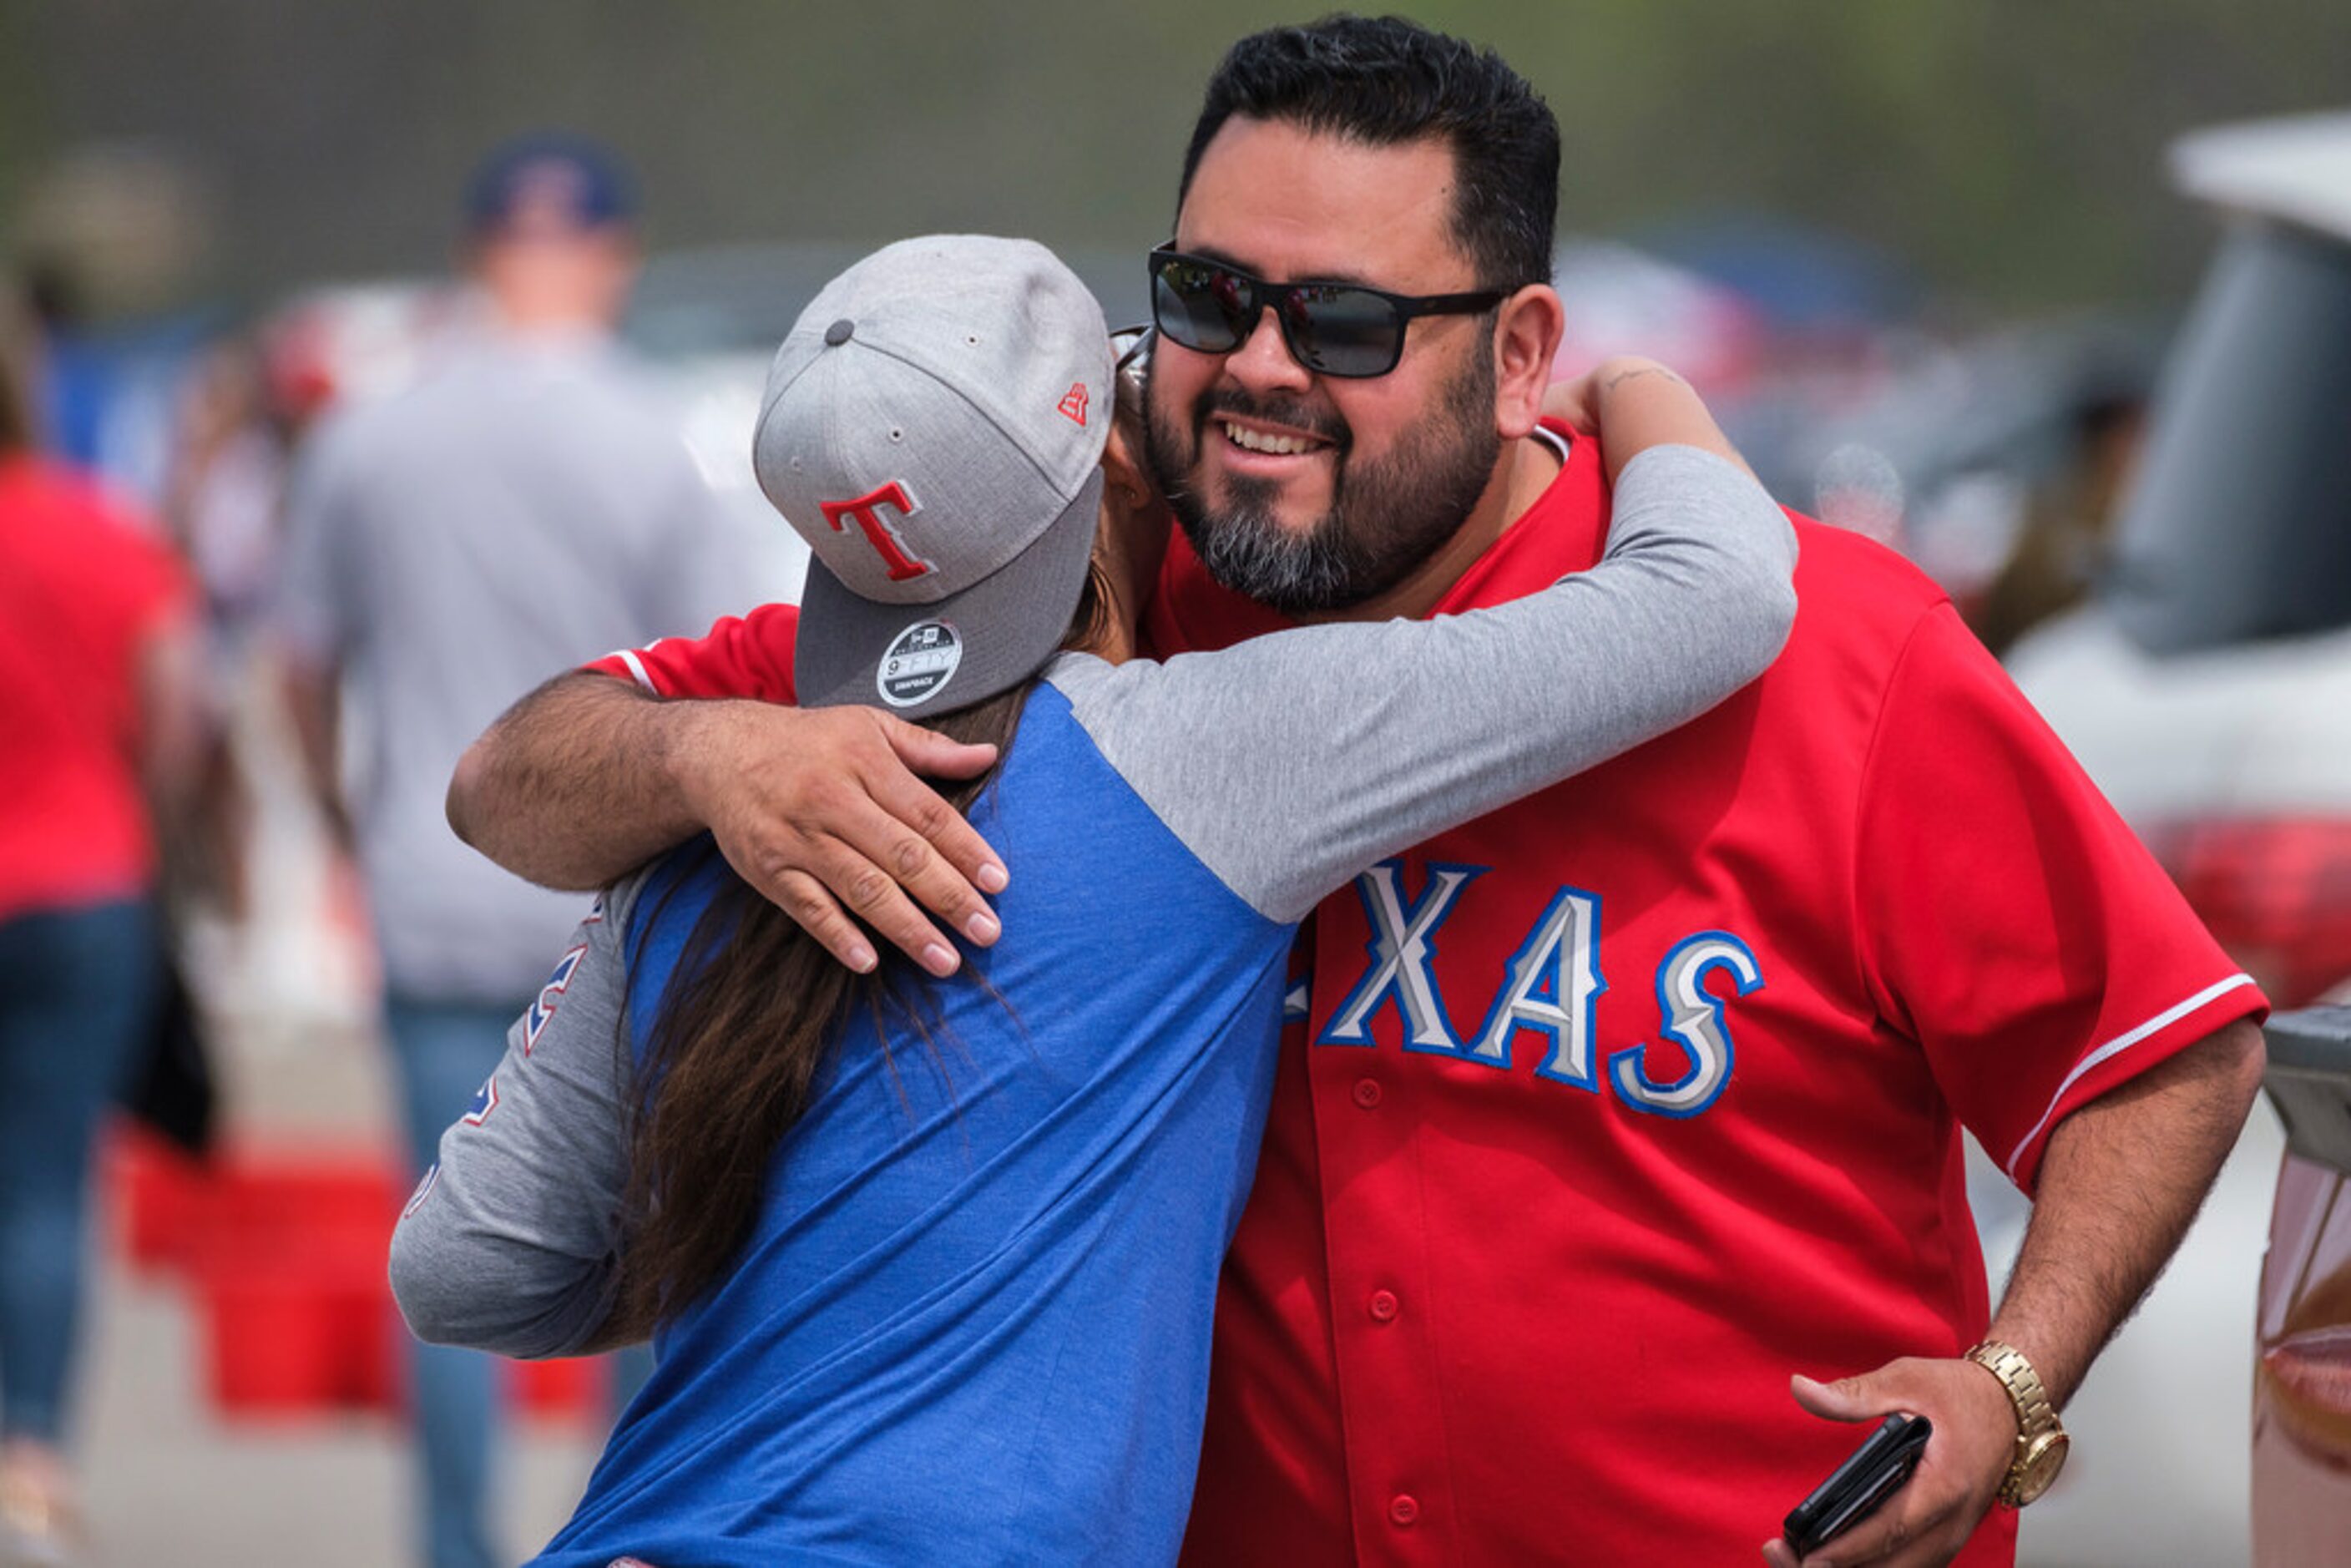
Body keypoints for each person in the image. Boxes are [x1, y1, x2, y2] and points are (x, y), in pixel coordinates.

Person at [441, 19, 2270, 1567]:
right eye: (1208, 295)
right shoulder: (1074, 599)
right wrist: (708, 757)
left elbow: (2159, 1052)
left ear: (1522, 349)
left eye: (1341, 323)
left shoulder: (1824, 651)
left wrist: (2012, 1390)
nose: (1254, 369)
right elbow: (515, 782)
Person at [392, 233, 1794, 1566]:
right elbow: (1717, 591)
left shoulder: (697, 835)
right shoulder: (1216, 759)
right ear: (1117, 446)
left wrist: (784, 1263)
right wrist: (1633, 386)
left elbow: (460, 1269)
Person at [270, 133, 740, 1568]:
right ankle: (622, 1537)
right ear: (612, 252)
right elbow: (719, 687)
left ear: (478, 251)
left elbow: (301, 667)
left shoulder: (369, 431)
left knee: (444, 1269)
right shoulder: (647, 433)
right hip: (609, 908)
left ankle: (459, 1548)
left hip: (429, 883)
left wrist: (351, 823)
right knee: (645, 1256)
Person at [0, 292, 201, 1564]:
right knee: (46, 1186)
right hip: (82, 878)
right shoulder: (100, 530)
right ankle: (30, 1454)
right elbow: (178, 710)